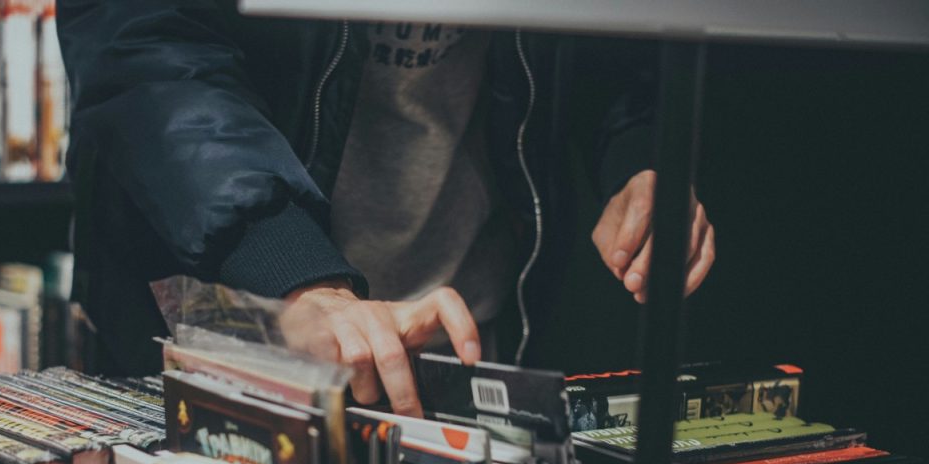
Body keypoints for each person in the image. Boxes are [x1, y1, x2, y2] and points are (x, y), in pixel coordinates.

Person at [57, 2, 715, 416]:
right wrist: (291, 267)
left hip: (465, 340)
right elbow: (145, 47)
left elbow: (607, 47)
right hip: (239, 328)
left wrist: (636, 155)